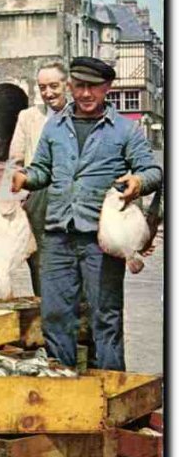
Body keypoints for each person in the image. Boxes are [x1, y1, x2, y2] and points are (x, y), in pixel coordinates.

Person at [11, 57, 162, 371]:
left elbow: (153, 170)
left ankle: (110, 391)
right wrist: (25, 177)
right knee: (54, 316)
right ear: (71, 86)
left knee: (104, 315)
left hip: (101, 239)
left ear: (107, 88)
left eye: (93, 87)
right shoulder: (54, 126)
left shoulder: (125, 129)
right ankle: (64, 386)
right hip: (57, 235)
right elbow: (42, 170)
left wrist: (139, 181)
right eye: (79, 86)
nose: (85, 94)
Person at [9, 60, 68, 295]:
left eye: (54, 86)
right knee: (41, 260)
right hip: (40, 195)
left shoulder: (79, 115)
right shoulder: (28, 117)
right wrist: (23, 195)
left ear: (68, 85)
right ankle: (46, 312)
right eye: (43, 88)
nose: (48, 93)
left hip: (72, 193)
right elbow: (16, 160)